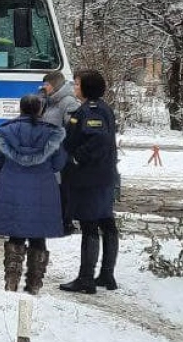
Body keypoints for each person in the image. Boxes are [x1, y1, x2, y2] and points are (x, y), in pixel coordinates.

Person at [0, 93, 67, 295]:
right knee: (38, 237)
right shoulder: (52, 133)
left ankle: (11, 282)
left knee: (15, 234)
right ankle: (34, 285)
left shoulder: (6, 131)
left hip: (12, 186)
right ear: (40, 110)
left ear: (21, 109)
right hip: (43, 189)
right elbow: (59, 163)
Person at [59, 69, 120, 294]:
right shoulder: (101, 107)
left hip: (90, 177)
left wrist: (76, 157)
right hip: (102, 175)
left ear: (87, 87)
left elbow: (98, 139)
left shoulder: (91, 110)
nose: (75, 88)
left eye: (77, 84)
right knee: (107, 223)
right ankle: (106, 275)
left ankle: (86, 279)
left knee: (90, 224)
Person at [41, 71, 81, 235]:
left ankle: (66, 222)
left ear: (55, 85)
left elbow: (74, 128)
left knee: (65, 189)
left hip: (63, 154)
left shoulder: (68, 102)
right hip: (53, 154)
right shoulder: (51, 102)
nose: (44, 88)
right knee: (56, 188)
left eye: (47, 85)